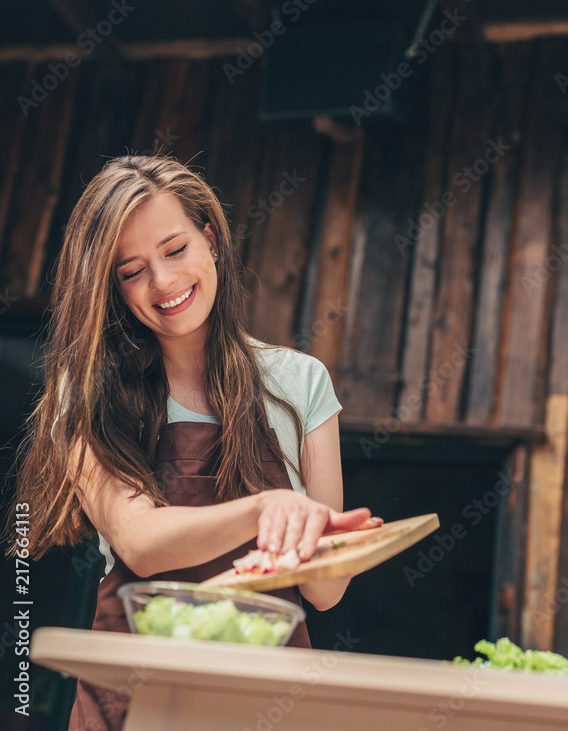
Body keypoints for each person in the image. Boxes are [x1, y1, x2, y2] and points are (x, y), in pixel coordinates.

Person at [9, 154, 382, 731]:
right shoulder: (86, 396)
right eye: (132, 271)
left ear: (211, 240)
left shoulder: (299, 383)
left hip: (267, 701)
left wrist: (336, 546)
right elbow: (140, 543)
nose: (163, 282)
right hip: (137, 699)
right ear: (112, 289)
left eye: (175, 249)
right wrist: (268, 508)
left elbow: (325, 593)